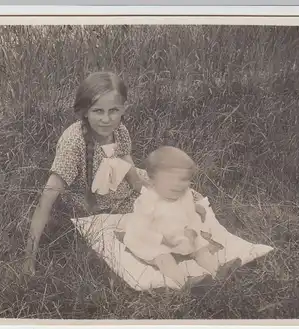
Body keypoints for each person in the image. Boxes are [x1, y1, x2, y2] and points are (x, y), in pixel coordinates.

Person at [22, 71, 148, 276]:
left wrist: (143, 189)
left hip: (119, 187)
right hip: (92, 206)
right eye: (98, 111)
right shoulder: (75, 144)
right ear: (85, 112)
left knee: (177, 198)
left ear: (124, 108)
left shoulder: (120, 131)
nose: (106, 119)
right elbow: (46, 199)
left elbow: (127, 164)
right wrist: (29, 259)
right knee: (139, 241)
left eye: (113, 110)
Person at [123, 146, 236, 289]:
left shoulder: (185, 195)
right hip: (152, 240)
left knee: (200, 248)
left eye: (184, 179)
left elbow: (191, 216)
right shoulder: (147, 201)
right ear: (152, 180)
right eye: (170, 179)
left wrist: (192, 231)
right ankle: (184, 282)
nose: (178, 185)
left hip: (179, 235)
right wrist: (162, 240)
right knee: (163, 258)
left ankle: (218, 272)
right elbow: (141, 230)